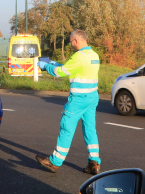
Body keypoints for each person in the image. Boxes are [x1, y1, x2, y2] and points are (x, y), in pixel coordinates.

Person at [35, 30, 102, 175]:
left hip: (78, 99)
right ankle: (94, 163)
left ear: (77, 40)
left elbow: (60, 73)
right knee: (90, 129)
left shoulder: (79, 56)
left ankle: (55, 162)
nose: (71, 44)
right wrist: (55, 63)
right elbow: (74, 70)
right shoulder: (94, 55)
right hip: (92, 97)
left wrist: (45, 66)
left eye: (71, 41)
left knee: (66, 128)